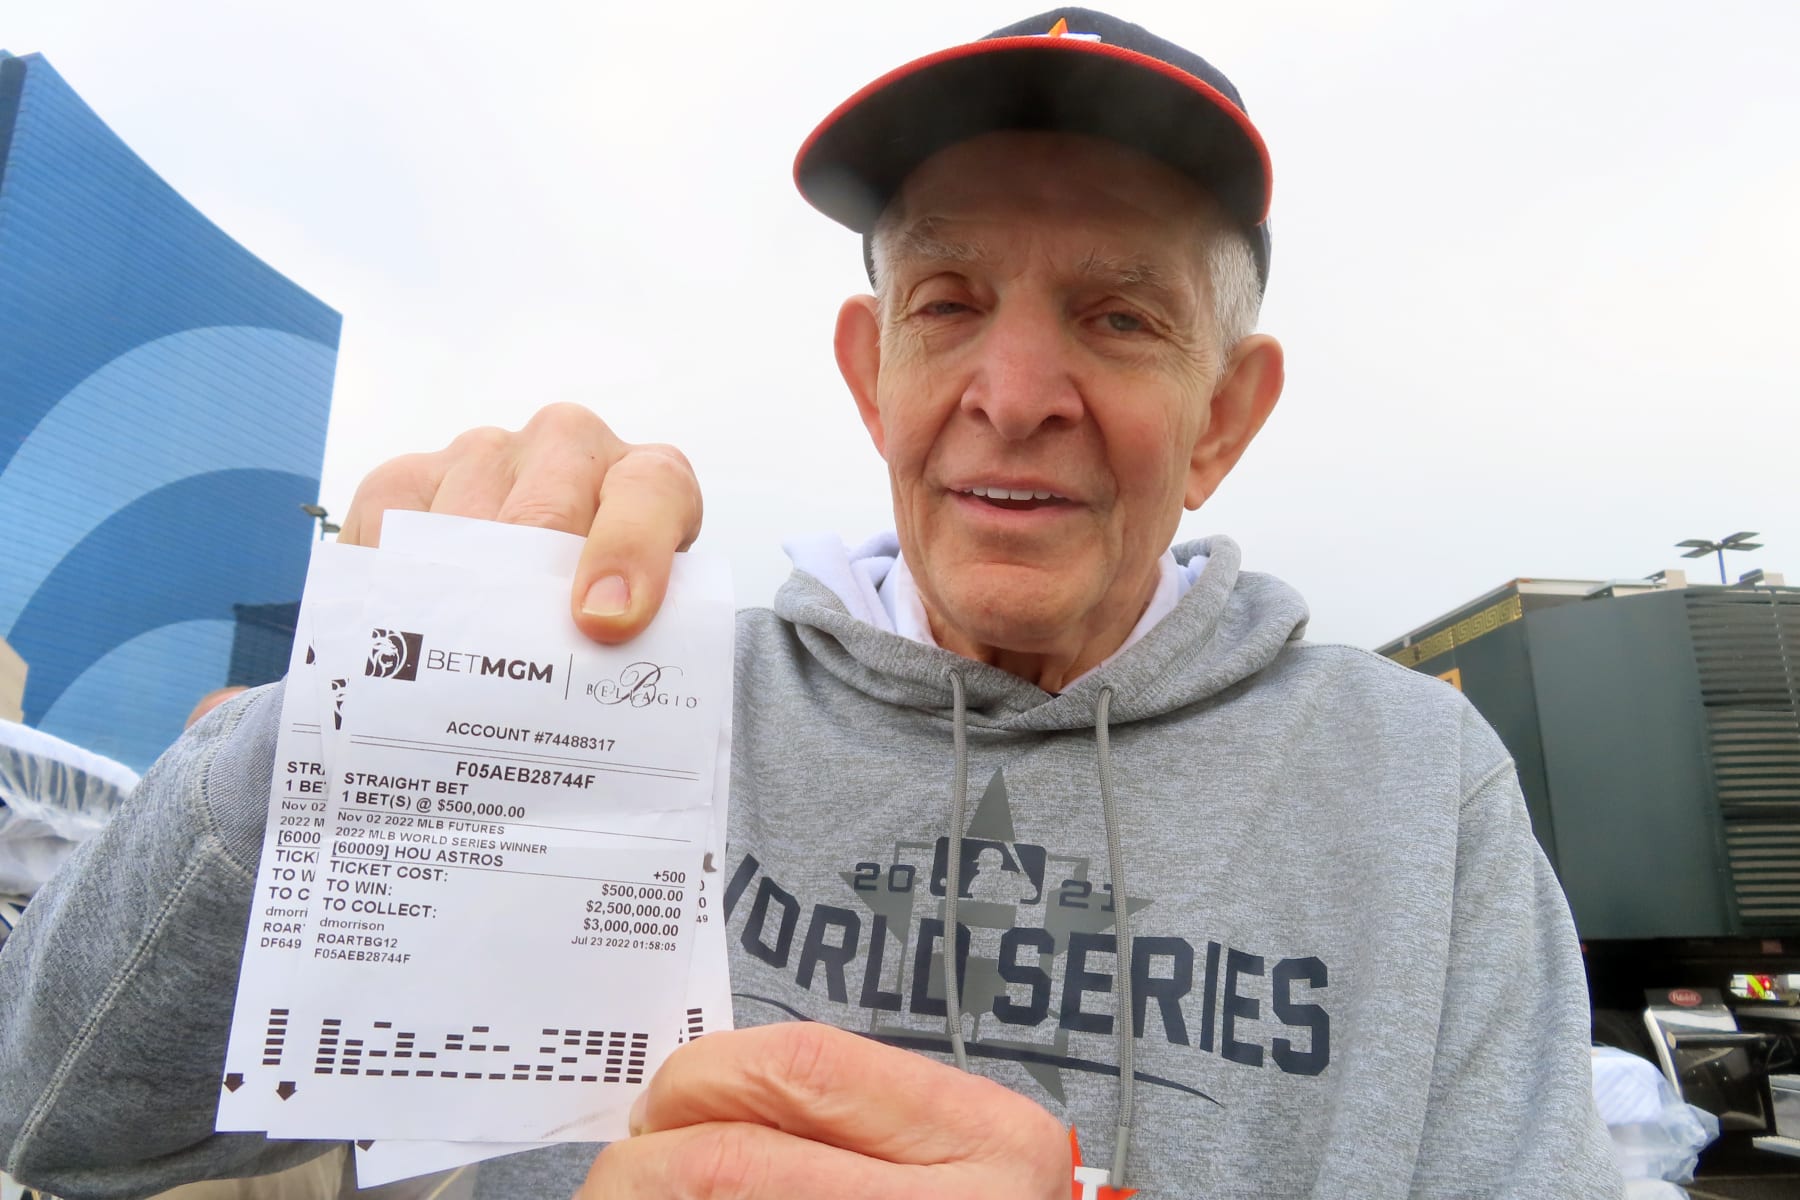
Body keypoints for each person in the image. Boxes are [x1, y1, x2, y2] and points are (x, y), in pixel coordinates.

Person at [0, 9, 1622, 1198]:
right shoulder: (627, 698)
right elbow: (55, 1118)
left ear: (1225, 416)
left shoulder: (1418, 791)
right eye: (948, 301)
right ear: (873, 373)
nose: (1015, 390)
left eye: (1119, 316)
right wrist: (358, 718)